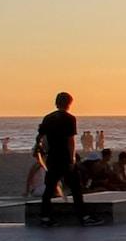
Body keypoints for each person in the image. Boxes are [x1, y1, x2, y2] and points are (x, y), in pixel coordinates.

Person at [36, 91, 98, 225]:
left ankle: (45, 217)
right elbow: (71, 140)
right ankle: (83, 217)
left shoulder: (48, 118)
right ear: (69, 103)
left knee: (49, 188)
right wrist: (72, 159)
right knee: (76, 188)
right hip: (64, 157)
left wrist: (42, 151)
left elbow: (40, 137)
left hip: (52, 157)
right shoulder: (70, 118)